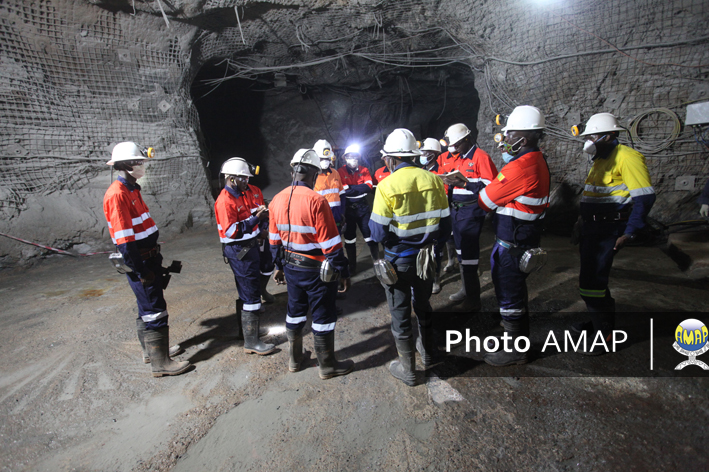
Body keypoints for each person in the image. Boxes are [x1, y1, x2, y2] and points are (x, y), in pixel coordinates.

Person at [369, 129, 451, 386]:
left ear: (392, 159)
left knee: (400, 312)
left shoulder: (386, 185)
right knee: (424, 304)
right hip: (427, 258)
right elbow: (446, 228)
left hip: (399, 261)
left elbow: (377, 232)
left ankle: (409, 370)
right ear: (413, 156)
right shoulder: (435, 180)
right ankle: (428, 353)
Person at [103, 142, 190, 377]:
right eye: (138, 162)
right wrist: (142, 272)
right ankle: (161, 363)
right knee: (155, 309)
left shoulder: (132, 189)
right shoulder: (117, 195)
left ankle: (151, 351)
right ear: (123, 165)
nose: (142, 166)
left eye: (142, 162)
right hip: (139, 261)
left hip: (148, 257)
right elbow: (125, 242)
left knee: (146, 308)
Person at [573, 112, 656, 354]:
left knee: (591, 282)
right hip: (592, 227)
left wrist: (629, 233)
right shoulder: (600, 159)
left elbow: (645, 198)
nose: (588, 141)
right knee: (594, 279)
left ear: (609, 136)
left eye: (593, 136)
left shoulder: (627, 158)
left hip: (608, 229)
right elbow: (593, 195)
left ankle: (606, 335)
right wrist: (580, 221)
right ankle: (600, 322)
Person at [269, 149, 354, 379]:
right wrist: (344, 271)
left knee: (295, 311)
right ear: (314, 173)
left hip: (291, 269)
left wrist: (279, 267)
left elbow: (274, 242)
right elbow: (332, 246)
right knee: (323, 315)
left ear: (293, 170)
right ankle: (327, 365)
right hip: (317, 271)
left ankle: (295, 359)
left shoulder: (276, 199)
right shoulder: (317, 200)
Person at [477, 106, 550, 366]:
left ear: (524, 138)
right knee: (515, 292)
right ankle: (517, 337)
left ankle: (515, 349)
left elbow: (486, 201)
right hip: (522, 240)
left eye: (509, 136)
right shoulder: (536, 160)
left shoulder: (520, 167)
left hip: (513, 244)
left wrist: (491, 187)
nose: (504, 140)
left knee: (510, 295)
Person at [215, 157, 276, 355]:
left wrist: (258, 226)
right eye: (243, 179)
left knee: (247, 288)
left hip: (248, 247)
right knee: (250, 291)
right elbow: (232, 231)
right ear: (231, 179)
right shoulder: (225, 201)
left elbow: (248, 220)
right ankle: (251, 342)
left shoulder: (241, 194)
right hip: (238, 249)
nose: (247, 183)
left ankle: (248, 334)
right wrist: (256, 219)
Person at [440, 123, 498, 309]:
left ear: (467, 139)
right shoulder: (458, 157)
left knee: (469, 256)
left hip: (472, 211)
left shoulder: (481, 157)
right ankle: (467, 290)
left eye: (457, 145)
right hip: (456, 210)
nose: (454, 148)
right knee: (461, 253)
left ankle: (473, 299)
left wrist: (465, 184)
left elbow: (491, 186)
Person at [338, 144, 379, 274]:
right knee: (350, 238)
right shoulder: (340, 172)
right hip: (348, 209)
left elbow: (368, 187)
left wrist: (350, 188)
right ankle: (352, 267)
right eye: (350, 157)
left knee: (369, 236)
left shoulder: (364, 170)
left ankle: (377, 263)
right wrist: (357, 188)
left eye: (355, 157)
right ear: (345, 158)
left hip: (363, 207)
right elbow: (343, 190)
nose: (353, 159)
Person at [418, 137, 447, 294]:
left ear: (434, 154)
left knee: (437, 249)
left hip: (437, 214)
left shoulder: (441, 172)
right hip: (422, 215)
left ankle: (436, 277)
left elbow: (445, 195)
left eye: (426, 152)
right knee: (424, 246)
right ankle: (424, 274)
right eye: (422, 151)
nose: (423, 154)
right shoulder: (420, 171)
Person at [313, 139, 346, 233]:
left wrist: (342, 212)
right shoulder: (312, 176)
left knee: (336, 243)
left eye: (327, 159)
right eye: (321, 159)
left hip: (336, 216)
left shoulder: (335, 173)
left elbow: (342, 195)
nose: (325, 161)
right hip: (320, 218)